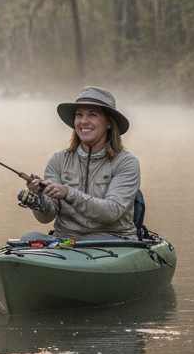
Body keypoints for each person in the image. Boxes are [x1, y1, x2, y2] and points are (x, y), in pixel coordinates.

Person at [24, 87, 140, 240]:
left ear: (109, 123)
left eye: (92, 114)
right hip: (66, 239)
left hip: (113, 239)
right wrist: (37, 198)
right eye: (79, 115)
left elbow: (111, 212)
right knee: (28, 237)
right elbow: (46, 217)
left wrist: (68, 193)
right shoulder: (58, 160)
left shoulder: (127, 163)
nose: (84, 121)